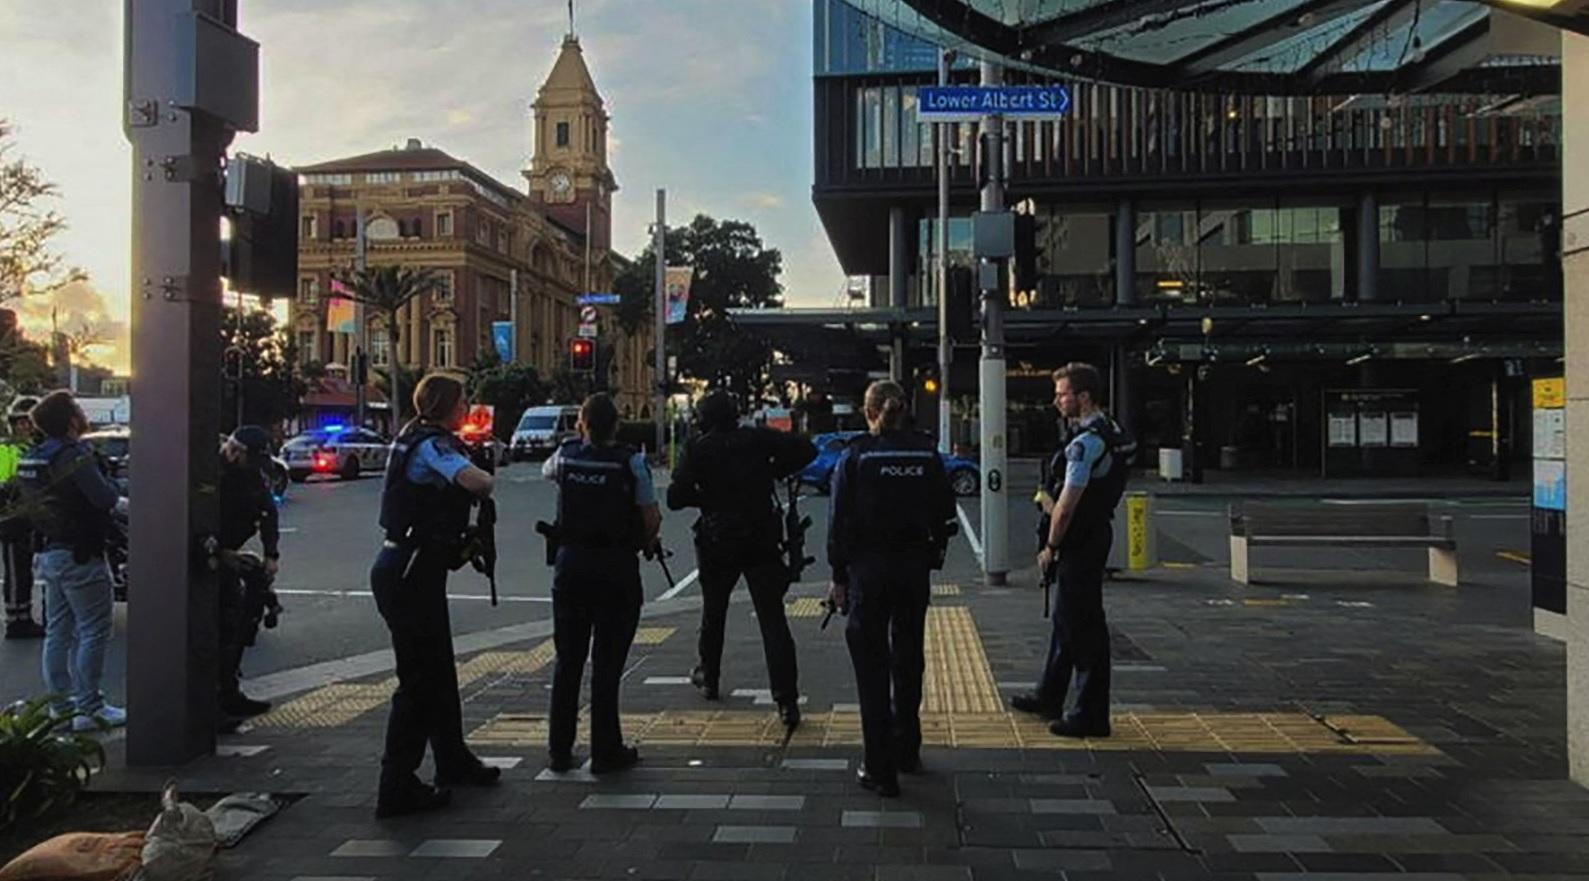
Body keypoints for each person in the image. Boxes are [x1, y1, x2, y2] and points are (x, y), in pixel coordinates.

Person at [370, 373, 500, 819]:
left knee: (439, 670)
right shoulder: (432, 445)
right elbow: (476, 483)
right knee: (419, 681)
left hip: (410, 568)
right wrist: (483, 467)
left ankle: (452, 760)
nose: (467, 408)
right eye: (463, 401)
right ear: (447, 405)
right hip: (408, 570)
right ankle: (396, 785)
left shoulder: (413, 436)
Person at [826, 381, 955, 797]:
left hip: (869, 571)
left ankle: (879, 768)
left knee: (871, 667)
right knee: (908, 656)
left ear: (869, 411)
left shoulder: (857, 456)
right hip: (913, 570)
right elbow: (945, 515)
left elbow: (838, 523)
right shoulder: (926, 453)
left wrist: (839, 576)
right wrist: (931, 554)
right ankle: (907, 747)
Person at [667, 390, 814, 727]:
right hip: (761, 539)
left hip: (717, 539)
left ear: (705, 419)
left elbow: (676, 497)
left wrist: (704, 496)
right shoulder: (757, 440)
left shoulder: (698, 449)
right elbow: (806, 448)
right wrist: (774, 471)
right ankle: (786, 700)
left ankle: (710, 675)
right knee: (773, 621)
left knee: (713, 612)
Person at [1011, 363, 1135, 739]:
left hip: (1079, 540)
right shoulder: (1112, 432)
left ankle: (1090, 714)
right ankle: (1050, 693)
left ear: (1083, 397)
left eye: (1062, 394)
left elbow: (1066, 505)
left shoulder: (1085, 444)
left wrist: (1051, 545)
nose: (1056, 401)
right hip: (1095, 533)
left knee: (1083, 628)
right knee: (1068, 619)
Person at [542, 393, 659, 774]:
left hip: (570, 567)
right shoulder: (632, 462)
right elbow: (650, 517)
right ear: (617, 424)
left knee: (568, 661)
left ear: (581, 423)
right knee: (608, 665)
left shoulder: (564, 456)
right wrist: (644, 541)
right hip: (615, 569)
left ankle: (559, 749)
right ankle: (606, 750)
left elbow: (548, 473)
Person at [17, 391, 127, 731]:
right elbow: (103, 497)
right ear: (70, 420)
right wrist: (112, 482)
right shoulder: (74, 455)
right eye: (78, 409)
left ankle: (59, 705)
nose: (82, 413)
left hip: (49, 552)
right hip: (81, 553)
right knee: (94, 629)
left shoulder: (35, 458)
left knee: (58, 632)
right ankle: (89, 706)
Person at [216, 425, 281, 727]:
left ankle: (230, 694)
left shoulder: (252, 474)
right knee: (216, 633)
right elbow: (191, 519)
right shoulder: (211, 474)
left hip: (230, 554)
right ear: (233, 451)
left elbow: (268, 511)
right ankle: (214, 703)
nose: (253, 468)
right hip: (206, 559)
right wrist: (220, 554)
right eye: (249, 460)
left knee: (240, 625)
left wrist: (271, 554)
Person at [0, 398, 42, 639]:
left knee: (27, 571)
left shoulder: (34, 448)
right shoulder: (6, 449)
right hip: (12, 518)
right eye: (20, 422)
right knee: (16, 571)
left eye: (29, 422)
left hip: (32, 517)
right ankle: (16, 621)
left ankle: (24, 617)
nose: (25, 427)